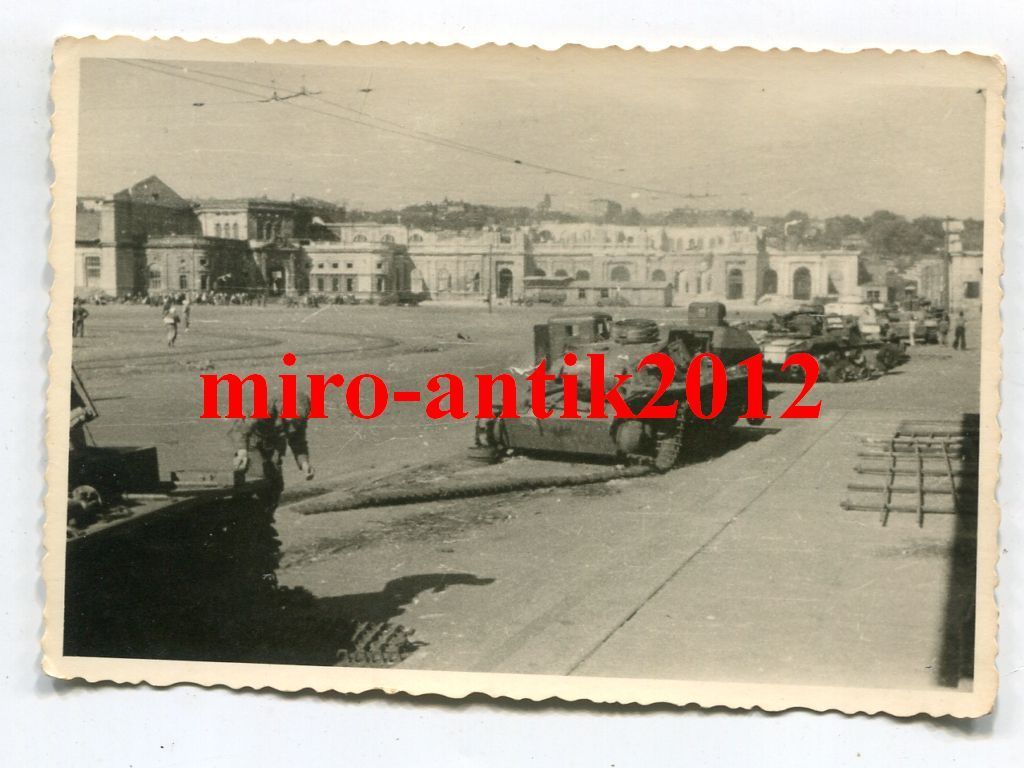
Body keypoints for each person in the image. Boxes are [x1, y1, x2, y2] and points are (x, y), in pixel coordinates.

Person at [230, 394, 314, 505]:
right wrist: (242, 452)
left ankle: (265, 516)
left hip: (274, 447)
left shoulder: (300, 416)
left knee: (275, 484)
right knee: (258, 478)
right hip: (252, 442)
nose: (293, 422)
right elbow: (241, 429)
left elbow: (298, 441)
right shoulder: (265, 408)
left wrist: (304, 463)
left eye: (297, 420)